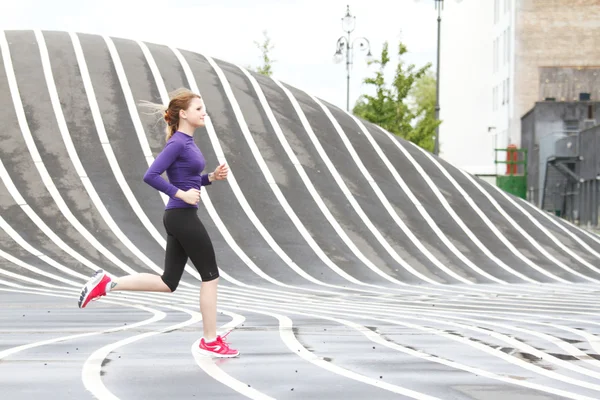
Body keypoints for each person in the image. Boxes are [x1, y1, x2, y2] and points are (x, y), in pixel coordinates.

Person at [77, 88, 239, 358]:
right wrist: (180, 194)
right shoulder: (178, 143)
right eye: (199, 109)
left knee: (168, 282)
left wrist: (210, 177)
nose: (204, 112)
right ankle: (210, 341)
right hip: (182, 216)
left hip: (180, 216)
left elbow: (188, 179)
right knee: (210, 277)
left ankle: (107, 283)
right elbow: (150, 175)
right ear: (184, 114)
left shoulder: (187, 141)